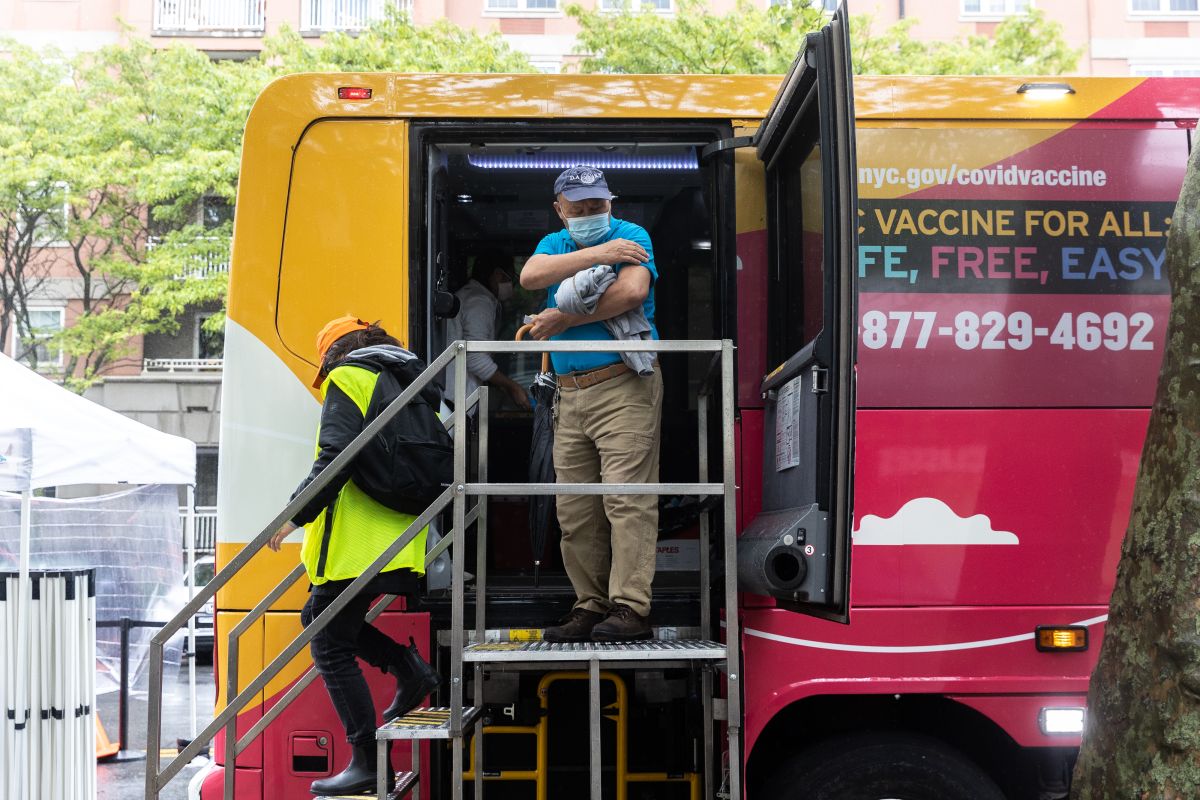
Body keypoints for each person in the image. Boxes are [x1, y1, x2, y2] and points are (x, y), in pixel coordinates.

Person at [268, 316, 440, 796]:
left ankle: (367, 759)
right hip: (394, 536)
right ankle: (410, 669)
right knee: (316, 617)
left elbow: (336, 456)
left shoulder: (349, 376)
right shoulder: (410, 382)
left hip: (355, 543)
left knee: (328, 644)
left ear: (332, 355)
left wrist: (294, 515)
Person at [521, 165, 663, 642]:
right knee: (575, 509)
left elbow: (632, 291)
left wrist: (560, 318)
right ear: (560, 210)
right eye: (578, 209)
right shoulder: (560, 243)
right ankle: (589, 606)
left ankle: (630, 609)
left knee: (627, 498)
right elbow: (529, 275)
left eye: (596, 206)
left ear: (611, 203)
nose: (588, 214)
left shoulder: (633, 234)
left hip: (623, 384)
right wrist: (600, 254)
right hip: (569, 392)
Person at [445, 251, 531, 411]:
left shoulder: (472, 296)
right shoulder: (479, 302)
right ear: (498, 275)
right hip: (456, 402)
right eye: (510, 279)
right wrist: (513, 387)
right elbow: (475, 357)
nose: (511, 286)